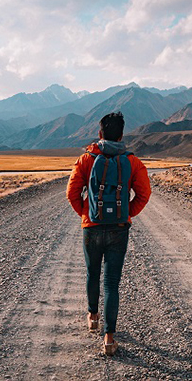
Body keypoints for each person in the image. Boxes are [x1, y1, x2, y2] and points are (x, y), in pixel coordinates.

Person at [66, 111, 151, 356]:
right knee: (111, 282)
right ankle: (109, 338)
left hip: (91, 228)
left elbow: (72, 193)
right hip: (119, 229)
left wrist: (87, 214)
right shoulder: (133, 162)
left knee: (93, 273)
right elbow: (144, 195)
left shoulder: (86, 159)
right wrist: (126, 214)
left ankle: (92, 316)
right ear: (122, 135)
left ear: (100, 133)